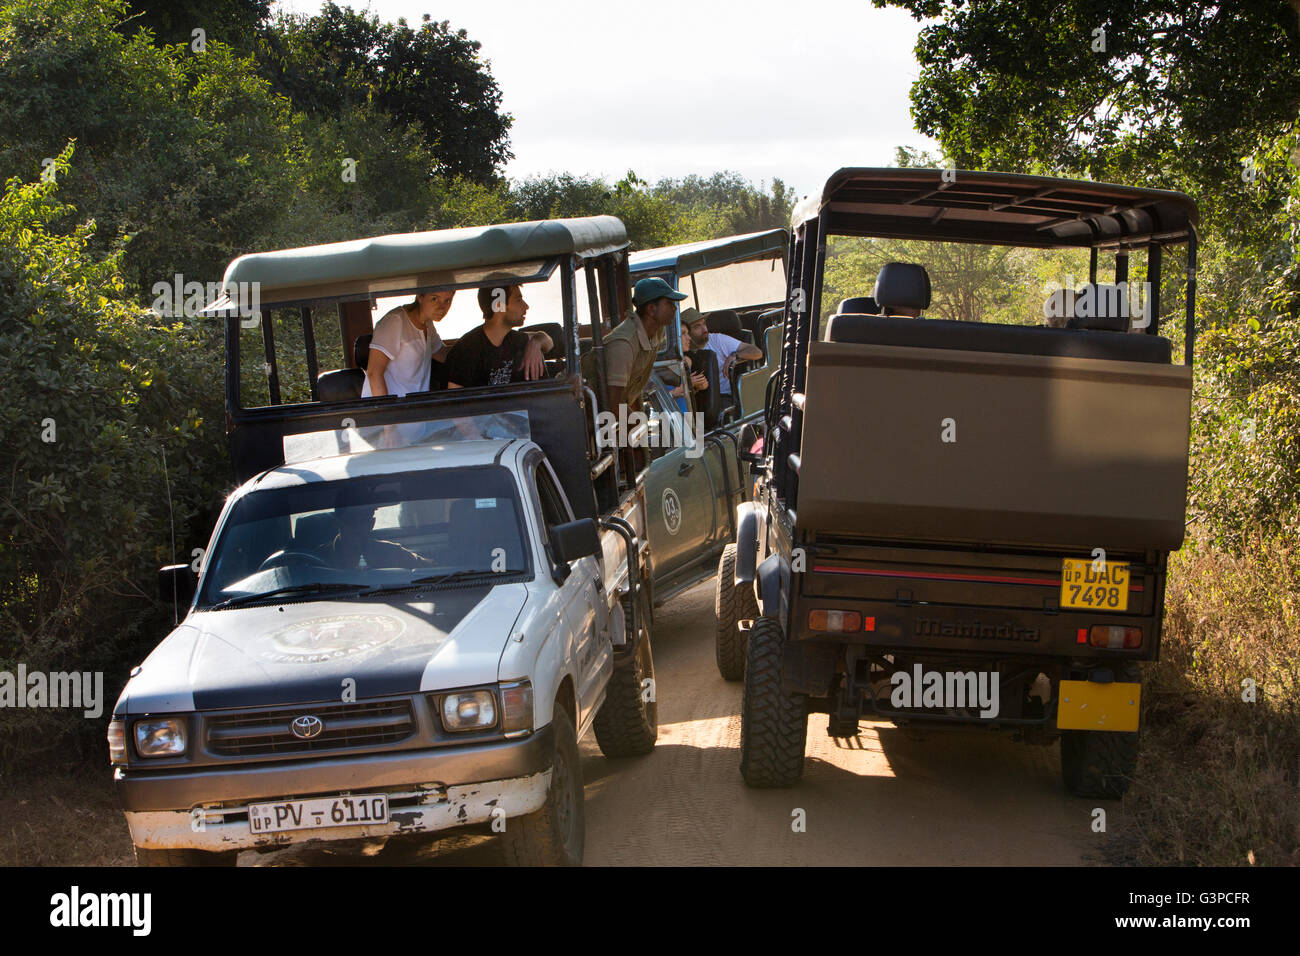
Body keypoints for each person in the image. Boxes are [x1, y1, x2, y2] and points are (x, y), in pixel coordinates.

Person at [444, 283, 552, 388]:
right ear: (499, 305)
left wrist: (536, 343)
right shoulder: (465, 351)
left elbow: (547, 341)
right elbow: (455, 403)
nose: (526, 306)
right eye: (518, 300)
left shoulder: (518, 340)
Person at [602, 277, 685, 412]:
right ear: (651, 309)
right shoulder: (624, 344)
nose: (675, 308)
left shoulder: (656, 331)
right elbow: (613, 403)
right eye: (669, 303)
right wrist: (634, 425)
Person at [362, 291, 455, 397]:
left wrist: (470, 347)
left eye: (447, 300)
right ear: (420, 297)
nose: (442, 307)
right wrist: (387, 411)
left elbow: (441, 353)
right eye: (434, 299)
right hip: (391, 407)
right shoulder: (394, 321)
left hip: (414, 405)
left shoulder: (427, 323)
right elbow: (374, 373)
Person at [317, 505, 435, 571]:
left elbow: (431, 570)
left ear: (372, 523)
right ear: (337, 523)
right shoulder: (318, 558)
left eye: (363, 520)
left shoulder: (391, 552)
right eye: (351, 520)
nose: (357, 527)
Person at [682, 307, 762, 398]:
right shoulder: (682, 350)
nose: (704, 329)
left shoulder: (717, 340)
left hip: (723, 398)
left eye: (704, 324)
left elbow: (757, 352)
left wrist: (734, 355)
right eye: (697, 327)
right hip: (693, 398)